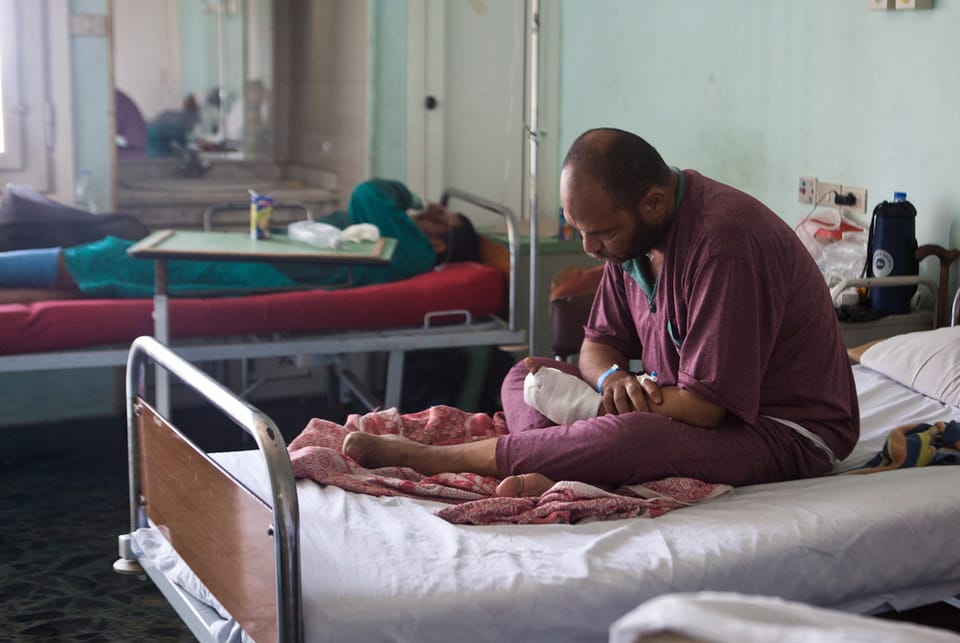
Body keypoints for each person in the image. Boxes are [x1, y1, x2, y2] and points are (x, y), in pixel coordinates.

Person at [342, 127, 860, 497]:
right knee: (528, 374)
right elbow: (597, 344)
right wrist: (612, 379)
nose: (590, 249)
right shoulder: (631, 239)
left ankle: (431, 459)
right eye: (579, 229)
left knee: (634, 435)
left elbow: (706, 408)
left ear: (653, 203)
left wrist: (621, 410)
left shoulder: (724, 243)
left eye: (602, 233)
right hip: (683, 404)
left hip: (784, 433)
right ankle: (565, 456)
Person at [0, 178, 479, 299]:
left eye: (441, 218)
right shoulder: (395, 238)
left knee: (114, 261)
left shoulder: (413, 251)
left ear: (442, 245)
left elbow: (368, 191)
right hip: (265, 260)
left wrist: (413, 196)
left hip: (262, 272)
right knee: (110, 260)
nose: (425, 214)